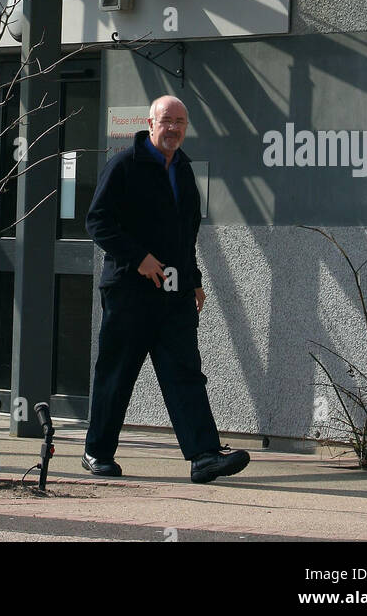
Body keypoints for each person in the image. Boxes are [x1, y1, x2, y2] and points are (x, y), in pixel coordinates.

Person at [82, 94, 250, 483]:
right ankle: (97, 452)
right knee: (117, 373)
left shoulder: (185, 171)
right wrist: (138, 257)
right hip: (129, 292)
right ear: (151, 123)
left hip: (174, 296)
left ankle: (204, 456)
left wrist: (194, 281)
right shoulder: (124, 165)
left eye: (180, 123)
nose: (173, 128)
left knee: (185, 373)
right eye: (167, 120)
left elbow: (185, 234)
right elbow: (97, 221)